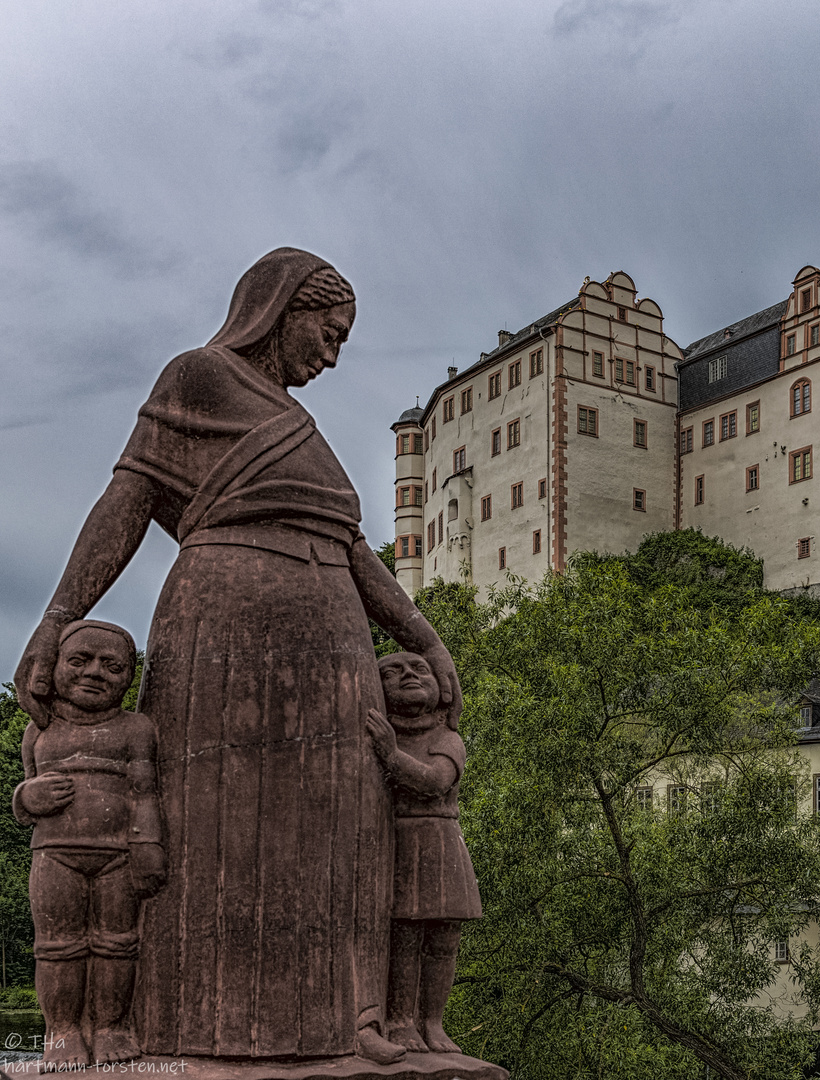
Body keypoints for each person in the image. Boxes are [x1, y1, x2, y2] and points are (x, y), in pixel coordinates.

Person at [12, 248, 458, 1064]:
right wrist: (58, 618)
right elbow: (129, 497)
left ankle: (341, 1025)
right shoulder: (197, 378)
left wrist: (421, 635)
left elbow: (355, 551)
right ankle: (205, 1031)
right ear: (281, 309)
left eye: (343, 341)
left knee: (339, 835)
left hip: (334, 649)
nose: (331, 354)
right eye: (328, 332)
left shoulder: (301, 427)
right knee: (215, 835)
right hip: (223, 637)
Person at [14, 620, 162, 1067]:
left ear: (128, 677)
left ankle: (112, 1027)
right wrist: (28, 798)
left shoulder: (135, 729)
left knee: (118, 944)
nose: (95, 672)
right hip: (54, 854)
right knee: (57, 946)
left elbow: (145, 792)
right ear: (54, 666)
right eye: (79, 660)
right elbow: (25, 789)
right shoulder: (38, 732)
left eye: (112, 665)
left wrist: (148, 845)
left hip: (119, 857)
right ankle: (62, 1033)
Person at [367, 652, 483, 1055]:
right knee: (405, 935)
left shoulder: (446, 739)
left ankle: (433, 1021)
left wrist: (390, 755)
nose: (409, 676)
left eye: (419, 669)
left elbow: (435, 781)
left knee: (444, 938)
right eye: (392, 672)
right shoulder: (379, 734)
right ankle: (400, 1021)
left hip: (441, 839)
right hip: (399, 841)